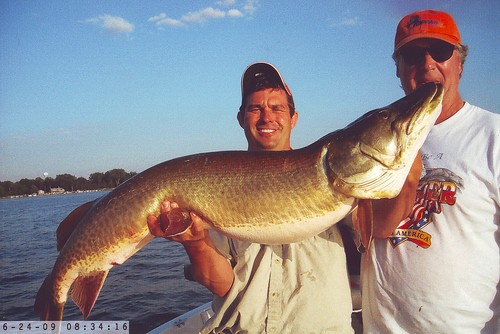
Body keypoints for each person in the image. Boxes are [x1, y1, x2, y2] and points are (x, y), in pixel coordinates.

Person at [148, 62, 420, 333]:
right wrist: (195, 242)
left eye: (277, 108)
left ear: (293, 118)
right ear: (241, 118)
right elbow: (219, 283)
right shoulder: (217, 185)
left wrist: (408, 172)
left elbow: (383, 227)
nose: (267, 117)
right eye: (256, 108)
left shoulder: (343, 181)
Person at [361, 10, 500, 333]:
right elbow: (372, 228)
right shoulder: (374, 136)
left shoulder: (493, 134)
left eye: (439, 52)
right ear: (397, 69)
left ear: (460, 64)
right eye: (412, 54)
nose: (426, 64)